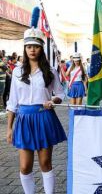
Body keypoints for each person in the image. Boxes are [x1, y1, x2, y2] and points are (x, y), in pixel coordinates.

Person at [6, 27, 67, 194]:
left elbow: (61, 93)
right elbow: (12, 102)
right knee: (25, 166)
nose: (32, 50)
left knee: (45, 163)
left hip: (44, 117)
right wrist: (9, 128)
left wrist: (53, 100)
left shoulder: (50, 71)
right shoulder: (17, 71)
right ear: (25, 49)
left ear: (41, 48)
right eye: (29, 46)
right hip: (24, 120)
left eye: (36, 46)